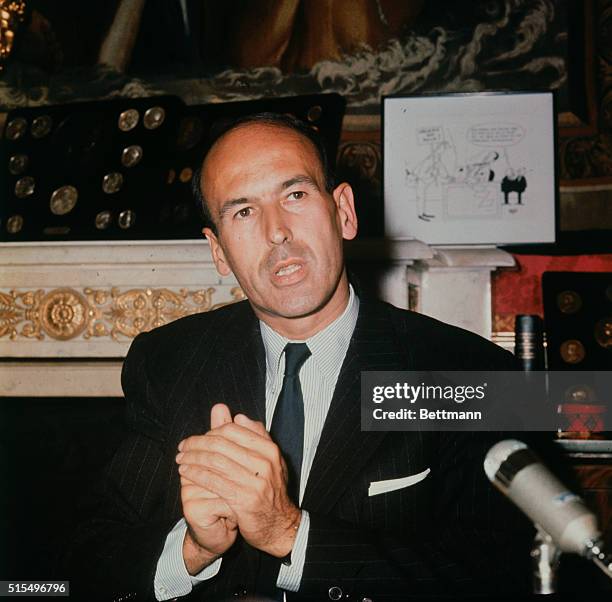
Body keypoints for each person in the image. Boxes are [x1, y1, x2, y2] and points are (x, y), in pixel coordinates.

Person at [66, 113, 531, 601]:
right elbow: (86, 556)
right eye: (243, 212)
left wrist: (289, 532)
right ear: (218, 251)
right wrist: (191, 549)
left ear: (344, 211)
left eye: (295, 195)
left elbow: (503, 576)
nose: (276, 232)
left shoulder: (470, 372)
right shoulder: (167, 362)